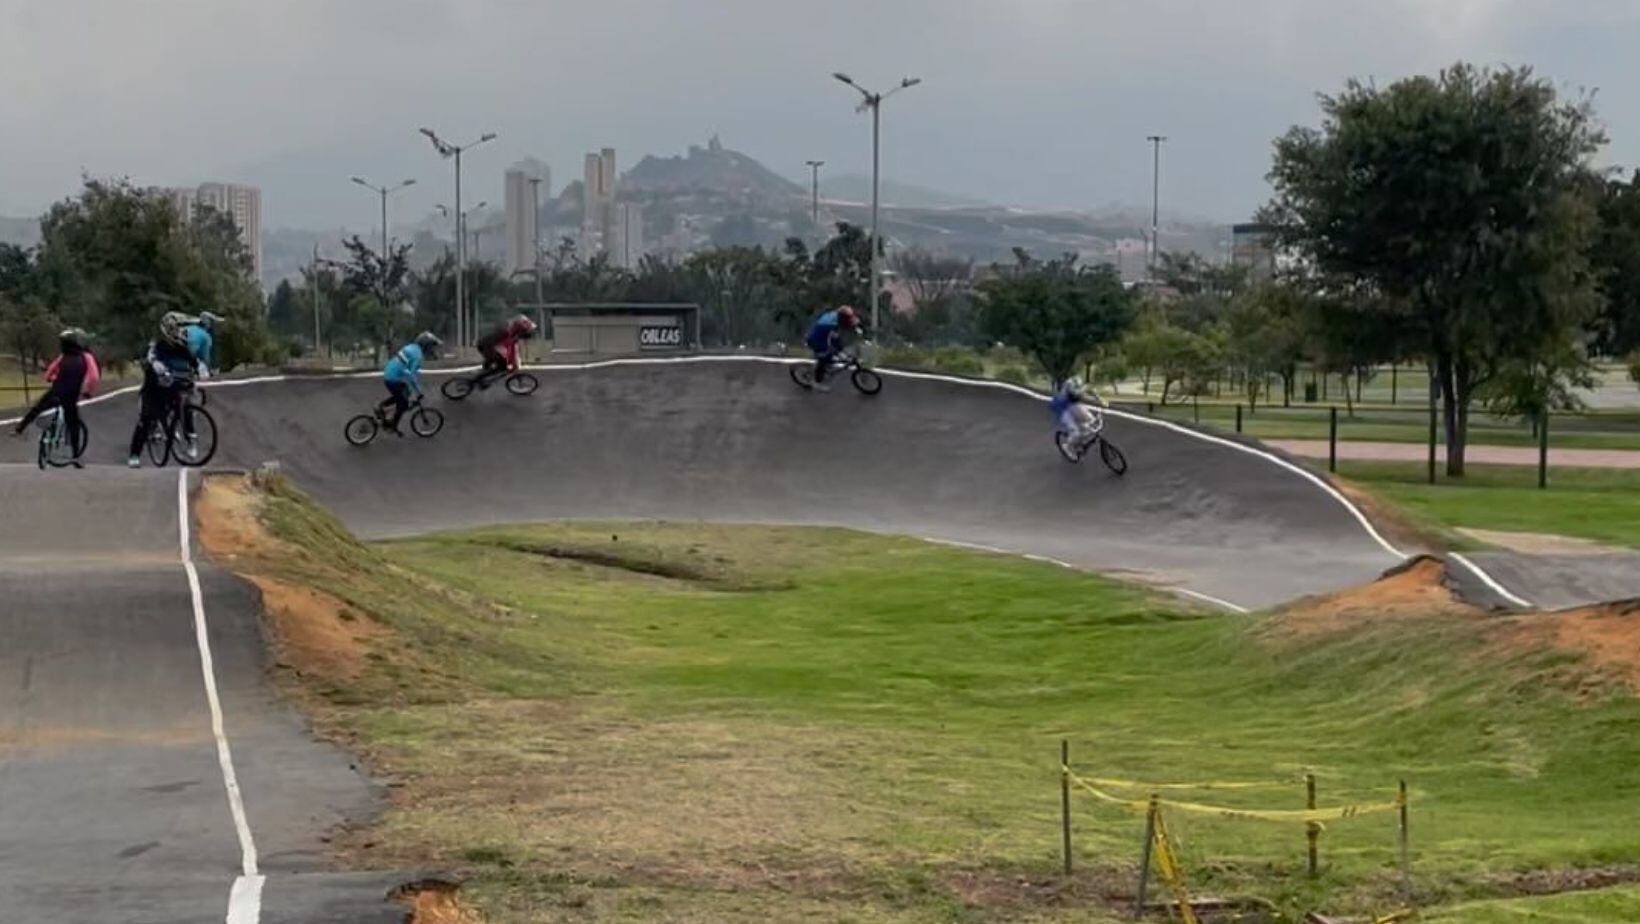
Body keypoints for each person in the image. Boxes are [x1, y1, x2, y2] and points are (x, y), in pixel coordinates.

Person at [127, 312, 201, 468]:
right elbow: (151, 358)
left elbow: (194, 362)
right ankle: (134, 454)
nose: (181, 333)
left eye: (182, 330)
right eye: (177, 330)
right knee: (146, 419)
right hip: (155, 389)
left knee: (187, 408)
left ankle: (191, 440)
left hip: (176, 386)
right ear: (168, 330)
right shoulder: (157, 345)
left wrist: (200, 369)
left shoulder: (183, 347)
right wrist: (156, 366)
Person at [13, 328, 99, 461]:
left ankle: (20, 428)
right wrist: (88, 391)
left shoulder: (63, 356)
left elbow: (49, 374)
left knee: (37, 408)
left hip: (56, 391)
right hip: (71, 395)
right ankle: (76, 455)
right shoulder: (86, 357)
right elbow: (93, 377)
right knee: (73, 423)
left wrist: (54, 379)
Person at [378, 332, 441, 433]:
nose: (432, 349)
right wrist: (419, 391)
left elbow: (407, 371)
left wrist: (413, 388)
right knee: (403, 405)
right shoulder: (418, 356)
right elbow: (411, 376)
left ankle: (381, 406)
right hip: (393, 379)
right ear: (426, 346)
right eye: (431, 346)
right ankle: (392, 426)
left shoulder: (411, 347)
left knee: (405, 392)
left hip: (389, 373)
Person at [803, 305, 861, 391]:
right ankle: (817, 382)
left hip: (823, 336)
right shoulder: (830, 325)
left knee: (835, 351)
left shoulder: (838, 316)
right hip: (817, 340)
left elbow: (849, 322)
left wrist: (855, 328)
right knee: (825, 356)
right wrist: (838, 351)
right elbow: (831, 341)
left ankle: (826, 365)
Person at [473, 314, 537, 386]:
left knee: (497, 364)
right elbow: (505, 348)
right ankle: (478, 379)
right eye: (524, 333)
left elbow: (511, 349)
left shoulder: (510, 331)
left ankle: (482, 378)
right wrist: (512, 361)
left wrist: (513, 361)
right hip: (487, 347)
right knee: (501, 366)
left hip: (487, 346)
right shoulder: (507, 333)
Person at [1050, 376, 1106, 448]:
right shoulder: (1071, 394)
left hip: (1071, 407)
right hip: (1063, 412)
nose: (1079, 390)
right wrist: (1099, 402)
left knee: (1086, 423)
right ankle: (1066, 446)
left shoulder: (1074, 390)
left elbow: (1090, 391)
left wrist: (1100, 399)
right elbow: (1083, 397)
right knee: (1075, 432)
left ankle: (1079, 440)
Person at [184, 311, 222, 380]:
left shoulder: (190, 329)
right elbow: (204, 357)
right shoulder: (205, 336)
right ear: (208, 323)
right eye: (212, 322)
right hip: (191, 365)